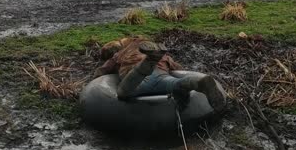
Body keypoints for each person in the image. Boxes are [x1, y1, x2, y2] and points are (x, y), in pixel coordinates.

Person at [93, 36, 227, 112]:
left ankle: (145, 65)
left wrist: (96, 79)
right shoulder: (163, 56)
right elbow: (177, 68)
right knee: (175, 83)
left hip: (138, 81)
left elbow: (102, 71)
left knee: (123, 93)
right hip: (161, 76)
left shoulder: (122, 52)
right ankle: (196, 82)